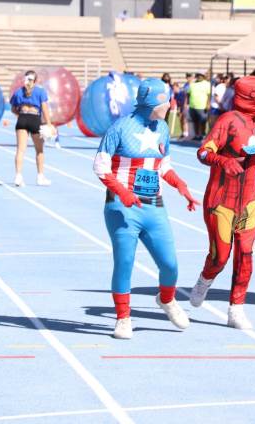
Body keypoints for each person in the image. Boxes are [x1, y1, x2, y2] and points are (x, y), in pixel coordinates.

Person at [93, 78, 200, 339]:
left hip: (154, 207)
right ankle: (123, 318)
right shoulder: (119, 129)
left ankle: (166, 299)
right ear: (154, 102)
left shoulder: (162, 128)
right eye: (166, 100)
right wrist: (124, 194)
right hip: (122, 208)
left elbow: (164, 166)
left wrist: (181, 186)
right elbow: (100, 167)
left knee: (170, 264)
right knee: (125, 262)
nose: (171, 104)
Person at [188, 76, 255, 329]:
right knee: (220, 258)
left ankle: (236, 308)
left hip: (250, 201)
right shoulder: (227, 121)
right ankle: (205, 279)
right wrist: (224, 161)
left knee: (245, 255)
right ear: (250, 96)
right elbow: (204, 151)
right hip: (222, 201)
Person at [9, 70, 53, 187]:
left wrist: (21, 116)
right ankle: (40, 177)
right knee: (39, 150)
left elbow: (13, 109)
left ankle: (18, 176)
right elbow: (44, 109)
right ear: (35, 80)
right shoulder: (40, 91)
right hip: (35, 120)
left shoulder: (18, 92)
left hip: (22, 119)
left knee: (20, 150)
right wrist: (49, 124)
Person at [187, 73, 210, 141]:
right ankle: (197, 135)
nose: (199, 77)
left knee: (203, 122)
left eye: (200, 75)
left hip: (202, 106)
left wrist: (208, 104)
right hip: (192, 106)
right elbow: (188, 94)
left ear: (203, 76)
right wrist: (187, 104)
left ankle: (202, 135)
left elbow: (209, 95)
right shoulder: (192, 84)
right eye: (197, 75)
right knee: (195, 121)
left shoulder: (207, 84)